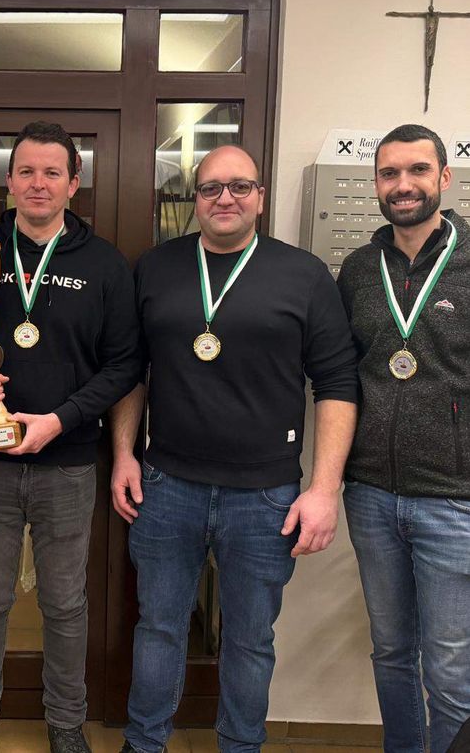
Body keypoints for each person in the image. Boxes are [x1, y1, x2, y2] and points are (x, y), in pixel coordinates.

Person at [111, 144, 359, 753]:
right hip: (167, 485)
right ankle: (145, 745)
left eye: (240, 187)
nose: (225, 198)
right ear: (193, 199)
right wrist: (123, 454)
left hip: (267, 494)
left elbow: (336, 384)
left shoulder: (303, 275)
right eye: (212, 188)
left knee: (250, 640)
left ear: (260, 197)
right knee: (159, 631)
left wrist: (323, 489)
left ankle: (240, 746)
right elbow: (130, 371)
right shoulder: (155, 268)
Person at [0, 121, 140, 753]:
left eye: (52, 172)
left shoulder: (105, 263)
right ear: (9, 181)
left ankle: (65, 726)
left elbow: (125, 364)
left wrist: (63, 419)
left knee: (65, 604)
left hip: (69, 461)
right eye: (26, 171)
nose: (38, 183)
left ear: (74, 183)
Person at [337, 124, 470, 753]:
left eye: (417, 170)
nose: (403, 185)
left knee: (449, 671)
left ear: (444, 177)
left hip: (454, 499)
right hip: (371, 495)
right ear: (376, 185)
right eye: (389, 173)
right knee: (391, 652)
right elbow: (341, 372)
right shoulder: (361, 269)